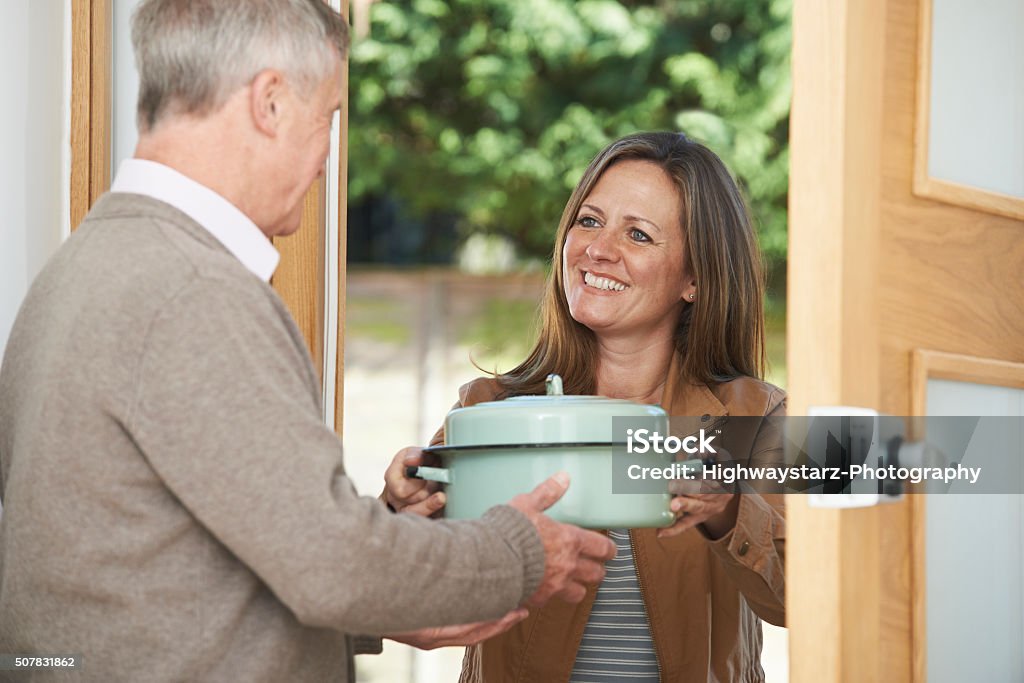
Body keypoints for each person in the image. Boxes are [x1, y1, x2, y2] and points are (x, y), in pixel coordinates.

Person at [0, 2, 616, 681]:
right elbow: (329, 563)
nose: (329, 156)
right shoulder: (193, 290)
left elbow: (176, 573)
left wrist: (383, 571)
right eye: (328, 117)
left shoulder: (85, 266)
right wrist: (518, 551)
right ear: (269, 102)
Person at [384, 131, 787, 682]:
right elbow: (410, 601)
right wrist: (397, 515)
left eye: (639, 234)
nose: (598, 249)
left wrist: (727, 509)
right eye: (589, 221)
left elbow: (816, 598)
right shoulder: (487, 410)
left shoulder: (754, 418)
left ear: (694, 278)